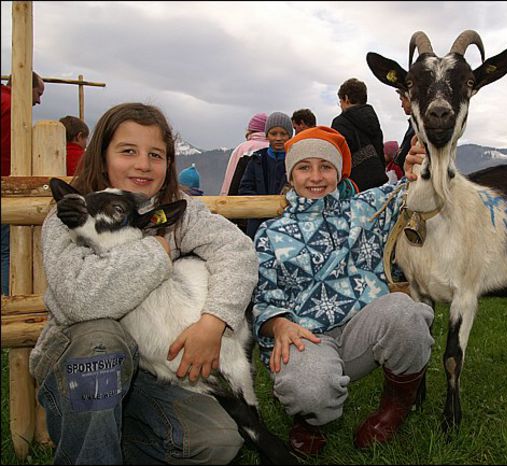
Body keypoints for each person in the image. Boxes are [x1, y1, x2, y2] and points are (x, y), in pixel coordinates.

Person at [30, 102, 259, 464]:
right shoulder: (71, 217)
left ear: (169, 162)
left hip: (152, 375)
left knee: (219, 441)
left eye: (156, 154)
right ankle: (90, 451)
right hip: (82, 369)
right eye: (127, 151)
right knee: (99, 338)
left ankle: (115, 442)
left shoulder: (175, 211)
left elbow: (238, 252)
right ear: (101, 155)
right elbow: (80, 301)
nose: (142, 164)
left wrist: (215, 320)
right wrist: (156, 251)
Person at [252, 126, 434, 457]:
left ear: (338, 171)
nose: (316, 176)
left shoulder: (366, 208)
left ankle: (393, 409)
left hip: (362, 330)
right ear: (290, 175)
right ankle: (310, 421)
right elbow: (265, 300)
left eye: (325, 166)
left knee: (407, 312)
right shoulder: (270, 233)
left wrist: (418, 167)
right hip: (307, 338)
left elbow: (413, 189)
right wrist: (279, 324)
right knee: (309, 389)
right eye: (304, 167)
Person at [1, 71, 45, 296]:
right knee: (6, 252)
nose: (38, 100)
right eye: (38, 93)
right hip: (7, 189)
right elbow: (10, 154)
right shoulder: (14, 110)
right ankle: (10, 300)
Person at [238, 111, 293, 239]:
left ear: (290, 135)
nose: (278, 138)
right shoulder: (256, 159)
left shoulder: (295, 160)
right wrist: (261, 205)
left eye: (283, 134)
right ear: (267, 135)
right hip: (257, 224)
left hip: (286, 222)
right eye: (274, 134)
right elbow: (245, 189)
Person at [331, 78, 388, 192]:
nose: (341, 106)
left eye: (340, 101)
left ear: (346, 98)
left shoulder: (341, 121)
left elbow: (337, 156)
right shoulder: (373, 120)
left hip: (353, 185)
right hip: (377, 181)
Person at [219, 112, 269, 196]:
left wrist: (224, 198)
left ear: (250, 130)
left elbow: (230, 179)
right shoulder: (273, 149)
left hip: (243, 201)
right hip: (272, 202)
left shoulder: (242, 149)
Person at [394, 89, 415, 170]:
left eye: (402, 100)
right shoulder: (413, 125)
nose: (401, 105)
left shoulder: (419, 127)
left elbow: (402, 156)